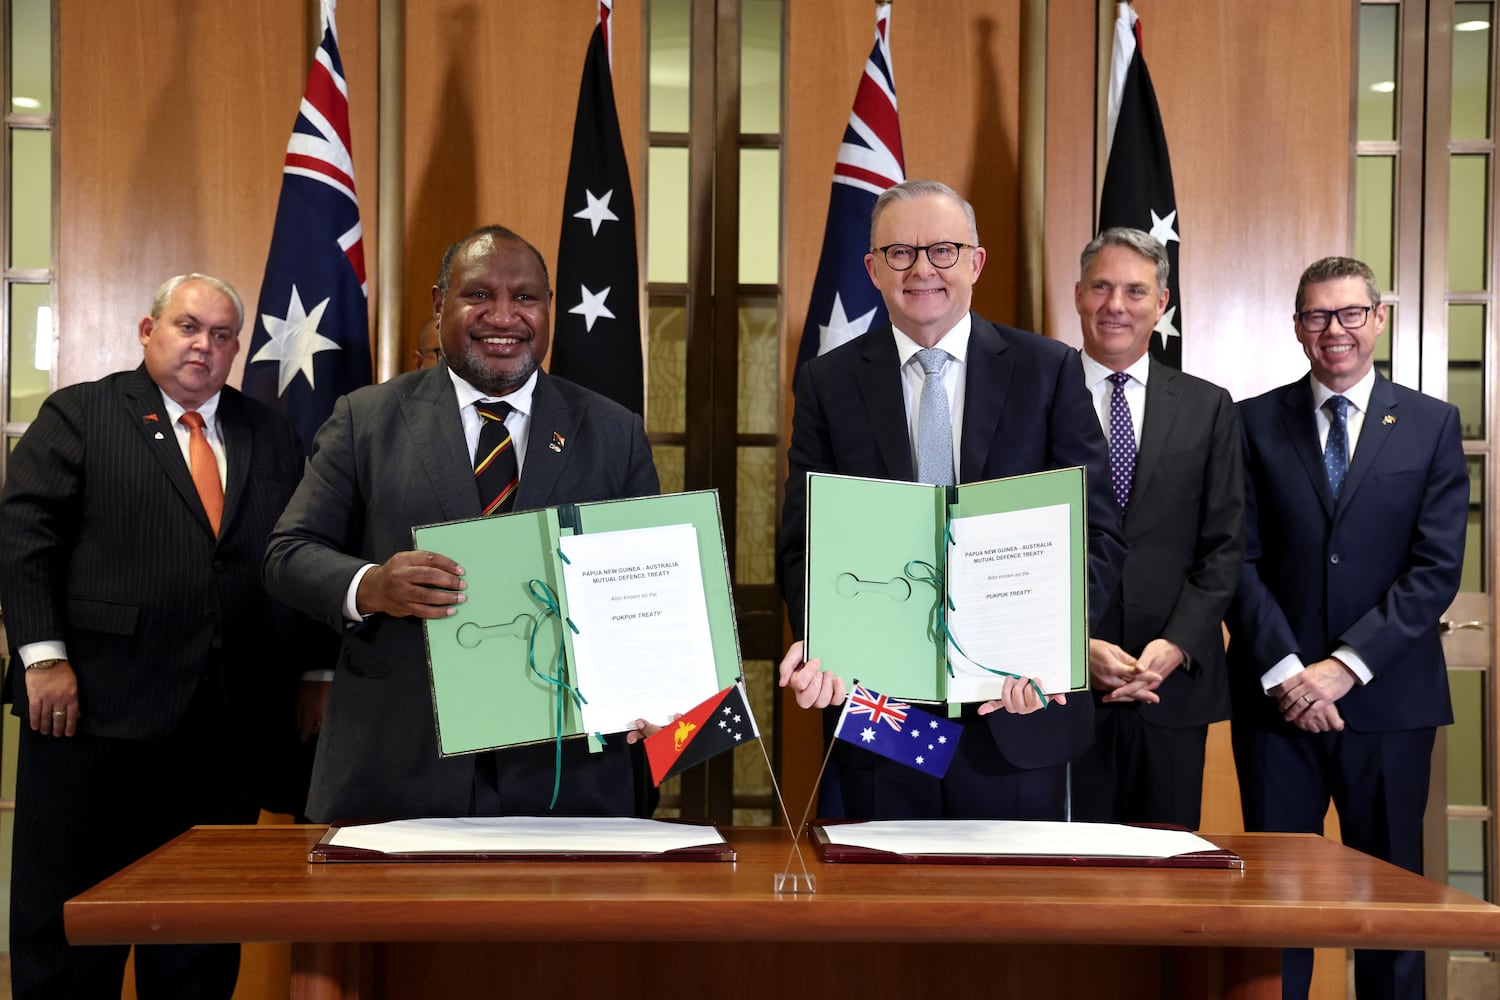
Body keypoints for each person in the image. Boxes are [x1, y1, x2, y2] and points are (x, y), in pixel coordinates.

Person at [264, 224, 659, 823]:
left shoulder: (613, 430)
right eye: (479, 295)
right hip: (400, 760)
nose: (503, 316)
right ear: (439, 303)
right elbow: (286, 554)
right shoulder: (366, 419)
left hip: (565, 768)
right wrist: (372, 585)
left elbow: (649, 586)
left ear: (549, 308)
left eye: (525, 298)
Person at [0, 274, 309, 1000]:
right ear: (148, 331)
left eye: (222, 334)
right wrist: (42, 657)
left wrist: (314, 675)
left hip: (223, 729)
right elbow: (23, 541)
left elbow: (302, 556)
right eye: (187, 326)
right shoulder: (82, 414)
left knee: (199, 940)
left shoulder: (270, 431)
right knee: (71, 926)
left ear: (238, 347)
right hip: (92, 716)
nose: (205, 346)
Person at [777, 179, 1125, 820]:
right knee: (886, 907)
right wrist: (823, 643)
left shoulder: (1048, 370)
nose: (922, 270)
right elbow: (803, 543)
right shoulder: (828, 383)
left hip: (1020, 709)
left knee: (1011, 914)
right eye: (900, 253)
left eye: (942, 250)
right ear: (872, 269)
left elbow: (1097, 535)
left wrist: (1053, 649)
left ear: (975, 262)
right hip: (883, 714)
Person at [1227, 256, 1467, 1000]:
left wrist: (1345, 666)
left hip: (1389, 705)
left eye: (1350, 313)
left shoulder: (1430, 424)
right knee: (1275, 912)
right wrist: (1289, 672)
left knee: (1394, 911)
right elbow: (1236, 557)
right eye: (1317, 316)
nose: (1335, 331)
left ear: (1379, 317)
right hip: (1277, 708)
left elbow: (1434, 570)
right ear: (1297, 327)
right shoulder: (1250, 421)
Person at [1067, 228, 1244, 830]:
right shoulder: (1035, 393)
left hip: (1171, 684)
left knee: (1167, 880)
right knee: (1063, 879)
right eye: (1102, 287)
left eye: (1135, 290)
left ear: (1161, 303)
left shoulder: (1208, 406)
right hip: (1060, 690)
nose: (1116, 305)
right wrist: (1072, 647)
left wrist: (1175, 646)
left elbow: (1224, 546)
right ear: (1078, 295)